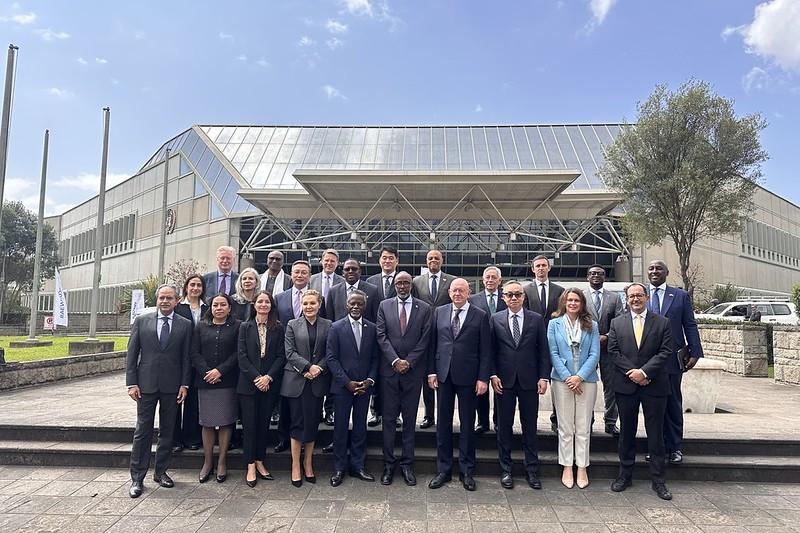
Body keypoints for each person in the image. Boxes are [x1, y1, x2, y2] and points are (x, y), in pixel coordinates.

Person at [608, 283, 674, 500]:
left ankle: (658, 480)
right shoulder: (617, 323)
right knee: (627, 432)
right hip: (626, 386)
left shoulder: (662, 322)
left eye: (638, 295)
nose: (635, 299)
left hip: (653, 385)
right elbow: (614, 352)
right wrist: (633, 373)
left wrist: (645, 373)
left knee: (656, 434)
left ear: (646, 297)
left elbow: (666, 351)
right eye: (631, 296)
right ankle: (624, 475)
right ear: (626, 299)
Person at [125, 284, 192, 498]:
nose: (165, 301)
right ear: (157, 300)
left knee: (168, 430)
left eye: (169, 298)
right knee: (142, 430)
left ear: (177, 300)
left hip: (173, 387)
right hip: (145, 385)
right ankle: (137, 477)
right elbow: (132, 353)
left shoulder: (185, 324)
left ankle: (161, 472)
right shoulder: (142, 321)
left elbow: (186, 358)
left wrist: (185, 384)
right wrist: (131, 383)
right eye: (161, 298)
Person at [427, 278, 491, 492]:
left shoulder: (480, 315)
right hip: (444, 376)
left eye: (462, 290)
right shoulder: (440, 312)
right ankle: (443, 470)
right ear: (449, 292)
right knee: (443, 424)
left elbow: (485, 350)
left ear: (469, 292)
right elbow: (433, 343)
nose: (457, 294)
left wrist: (483, 378)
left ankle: (467, 471)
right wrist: (432, 372)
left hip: (469, 378)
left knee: (467, 425)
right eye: (454, 290)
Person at [490, 280, 550, 490]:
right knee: (504, 427)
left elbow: (543, 350)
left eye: (517, 294)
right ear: (503, 298)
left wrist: (544, 377)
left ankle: (531, 470)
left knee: (530, 427)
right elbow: (491, 350)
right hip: (503, 382)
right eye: (509, 295)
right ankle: (506, 470)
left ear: (524, 297)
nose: (514, 298)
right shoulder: (495, 319)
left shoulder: (536, 319)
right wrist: (493, 374)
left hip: (529, 381)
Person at [375, 271, 432, 486]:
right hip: (389, 372)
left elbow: (425, 338)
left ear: (411, 285)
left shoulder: (424, 308)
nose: (402, 286)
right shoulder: (384, 305)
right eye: (399, 283)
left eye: (406, 283)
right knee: (388, 420)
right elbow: (381, 336)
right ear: (394, 285)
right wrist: (395, 361)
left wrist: (409, 361)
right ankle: (388, 465)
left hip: (412, 372)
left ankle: (408, 464)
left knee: (409, 421)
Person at [647, 260, 703, 464]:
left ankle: (675, 447)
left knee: (672, 403)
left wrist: (695, 351)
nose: (655, 271)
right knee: (652, 407)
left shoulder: (680, 296)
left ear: (667, 272)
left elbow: (690, 324)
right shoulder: (639, 295)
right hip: (646, 361)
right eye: (651, 268)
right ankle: (656, 447)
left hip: (671, 360)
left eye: (659, 268)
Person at [547, 288, 600, 489]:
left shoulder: (591, 325)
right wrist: (568, 377)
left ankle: (582, 467)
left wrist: (579, 377)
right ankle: (567, 466)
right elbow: (552, 352)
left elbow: (594, 354)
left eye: (576, 300)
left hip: (586, 380)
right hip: (562, 381)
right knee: (566, 427)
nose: (572, 303)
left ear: (582, 303)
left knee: (583, 426)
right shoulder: (554, 324)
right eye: (569, 300)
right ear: (564, 302)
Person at [326, 290, 380, 487]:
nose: (356, 307)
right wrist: (346, 382)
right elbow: (331, 358)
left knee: (360, 427)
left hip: (364, 388)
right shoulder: (336, 327)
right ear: (346, 306)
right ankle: (339, 468)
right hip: (342, 388)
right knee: (340, 428)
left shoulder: (372, 328)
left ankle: (358, 465)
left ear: (364, 306)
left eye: (359, 304)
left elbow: (376, 358)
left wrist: (369, 380)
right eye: (352, 304)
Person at [281, 290, 332, 487]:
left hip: (317, 381)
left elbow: (330, 351)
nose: (309, 307)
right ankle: (295, 465)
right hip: (296, 381)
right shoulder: (293, 324)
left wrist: (318, 368)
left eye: (312, 303)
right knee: (297, 424)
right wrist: (307, 368)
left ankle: (308, 463)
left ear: (319, 304)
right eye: (305, 304)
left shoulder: (328, 325)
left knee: (311, 424)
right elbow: (289, 352)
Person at [237, 290, 286, 487]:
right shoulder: (244, 327)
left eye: (267, 302)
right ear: (254, 304)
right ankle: (250, 465)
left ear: (271, 306)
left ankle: (260, 461)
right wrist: (257, 378)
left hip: (269, 385)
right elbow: (241, 356)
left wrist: (268, 378)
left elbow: (281, 356)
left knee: (263, 426)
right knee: (249, 427)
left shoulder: (278, 328)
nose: (263, 304)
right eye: (260, 301)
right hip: (248, 385)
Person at [190, 293, 240, 483]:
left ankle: (222, 462)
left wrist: (220, 371)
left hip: (227, 381)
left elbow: (238, 353)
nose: (218, 308)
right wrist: (207, 372)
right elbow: (194, 352)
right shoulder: (201, 326)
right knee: (208, 423)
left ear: (229, 307)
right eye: (215, 305)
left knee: (226, 422)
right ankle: (208, 461)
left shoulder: (238, 326)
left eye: (223, 305)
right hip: (205, 381)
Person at [273, 259, 315, 453]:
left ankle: (306, 439)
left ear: (309, 275)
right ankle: (283, 438)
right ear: (291, 274)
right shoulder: (280, 297)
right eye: (296, 272)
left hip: (309, 359)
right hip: (285, 356)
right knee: (286, 402)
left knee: (306, 405)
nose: (299, 275)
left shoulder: (315, 298)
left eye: (303, 272)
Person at [412, 249, 455, 430]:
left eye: (437, 258)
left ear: (442, 260)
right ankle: (429, 415)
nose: (433, 261)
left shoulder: (451, 280)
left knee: (445, 375)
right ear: (426, 260)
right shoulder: (416, 281)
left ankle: (445, 416)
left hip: (446, 332)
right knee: (426, 375)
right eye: (430, 258)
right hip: (424, 332)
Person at [523, 255, 565, 433]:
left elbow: (563, 315)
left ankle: (556, 419)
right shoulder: (525, 290)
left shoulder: (560, 290)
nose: (540, 268)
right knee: (533, 383)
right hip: (533, 344)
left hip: (556, 342)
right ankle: (531, 419)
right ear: (533, 269)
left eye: (543, 266)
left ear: (549, 268)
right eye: (537, 266)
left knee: (557, 381)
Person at [583, 265, 624, 437]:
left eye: (599, 274)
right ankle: (587, 422)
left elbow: (620, 321)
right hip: (586, 349)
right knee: (587, 387)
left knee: (611, 387)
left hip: (608, 348)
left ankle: (610, 422)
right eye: (592, 273)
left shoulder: (614, 298)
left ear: (605, 277)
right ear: (587, 277)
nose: (596, 276)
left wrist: (607, 336)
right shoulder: (580, 297)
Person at [469, 265, 506, 434]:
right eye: (487, 278)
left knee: (501, 387)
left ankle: (499, 421)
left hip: (503, 348)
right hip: (479, 348)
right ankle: (482, 421)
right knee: (481, 387)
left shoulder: (506, 298)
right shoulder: (474, 299)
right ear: (483, 280)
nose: (490, 280)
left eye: (493, 277)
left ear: (499, 280)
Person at [366, 245, 400, 427]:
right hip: (375, 336)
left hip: (397, 338)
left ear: (397, 261)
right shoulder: (370, 282)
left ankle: (396, 413)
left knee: (396, 379)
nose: (387, 261)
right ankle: (375, 412)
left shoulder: (404, 281)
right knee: (376, 375)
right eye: (384, 258)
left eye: (391, 258)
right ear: (380, 260)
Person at [172, 274, 207, 453]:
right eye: (192, 285)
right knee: (176, 400)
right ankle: (175, 439)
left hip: (199, 361)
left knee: (194, 401)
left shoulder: (207, 308)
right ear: (186, 287)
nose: (195, 288)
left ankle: (192, 437)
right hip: (179, 359)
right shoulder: (177, 308)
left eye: (198, 285)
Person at [309, 248, 343, 427]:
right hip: (314, 331)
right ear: (321, 261)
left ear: (337, 263)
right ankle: (316, 410)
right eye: (326, 260)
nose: (329, 263)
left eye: (333, 261)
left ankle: (330, 410)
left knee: (331, 372)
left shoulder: (342, 282)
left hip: (335, 331)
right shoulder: (311, 279)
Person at [326, 258, 380, 323]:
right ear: (343, 273)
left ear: (360, 271)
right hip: (340, 332)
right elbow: (329, 318)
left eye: (354, 269)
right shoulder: (333, 291)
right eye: (347, 269)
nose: (350, 271)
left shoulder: (372, 290)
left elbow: (376, 317)